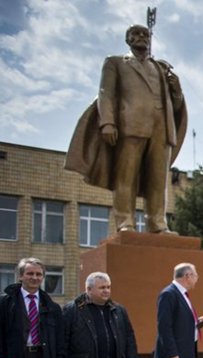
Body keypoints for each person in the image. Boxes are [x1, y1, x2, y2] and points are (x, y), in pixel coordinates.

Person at [64, 24, 187, 234]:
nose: (141, 37)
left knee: (158, 180)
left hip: (161, 129)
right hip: (130, 126)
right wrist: (107, 122)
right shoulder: (115, 62)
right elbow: (106, 93)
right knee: (126, 177)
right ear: (128, 39)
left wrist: (176, 90)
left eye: (145, 34)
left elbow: (174, 106)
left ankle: (157, 223)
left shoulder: (160, 68)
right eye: (136, 34)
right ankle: (125, 222)